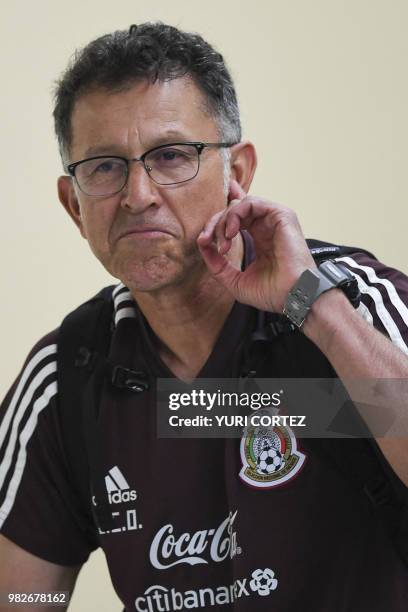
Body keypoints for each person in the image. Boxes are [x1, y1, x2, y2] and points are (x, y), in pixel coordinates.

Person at [0, 22, 407, 612]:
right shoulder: (66, 378)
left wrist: (313, 306)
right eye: (105, 167)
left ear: (237, 174)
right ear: (74, 204)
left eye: (171, 156)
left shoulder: (354, 304)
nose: (138, 193)